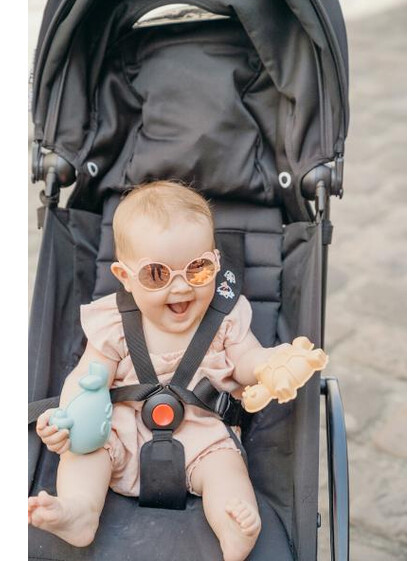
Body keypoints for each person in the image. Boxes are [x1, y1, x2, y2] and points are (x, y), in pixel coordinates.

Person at [28, 181, 310, 561]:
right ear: (125, 276)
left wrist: (270, 365)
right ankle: (79, 512)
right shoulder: (114, 321)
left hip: (201, 440)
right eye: (157, 275)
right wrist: (68, 418)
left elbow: (246, 359)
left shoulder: (225, 317)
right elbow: (86, 377)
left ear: (216, 262)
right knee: (86, 452)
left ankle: (233, 528)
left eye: (198, 270)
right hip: (120, 436)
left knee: (226, 468)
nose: (181, 288)